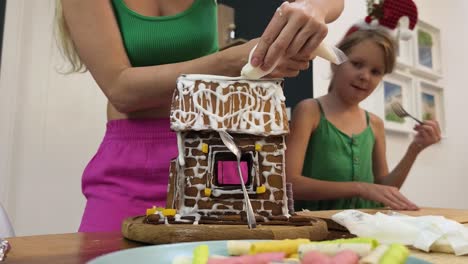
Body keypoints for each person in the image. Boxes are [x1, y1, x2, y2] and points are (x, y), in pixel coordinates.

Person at [55, 0, 344, 232]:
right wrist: (230, 60)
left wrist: (312, 9)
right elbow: (122, 90)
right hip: (131, 167)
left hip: (211, 157)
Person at [286, 27, 442, 211]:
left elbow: (383, 190)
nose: (365, 76)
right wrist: (360, 188)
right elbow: (290, 184)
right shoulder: (309, 111)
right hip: (317, 229)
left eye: (376, 72)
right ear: (335, 62)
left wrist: (415, 148)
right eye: (357, 64)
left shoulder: (375, 124)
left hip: (363, 230)